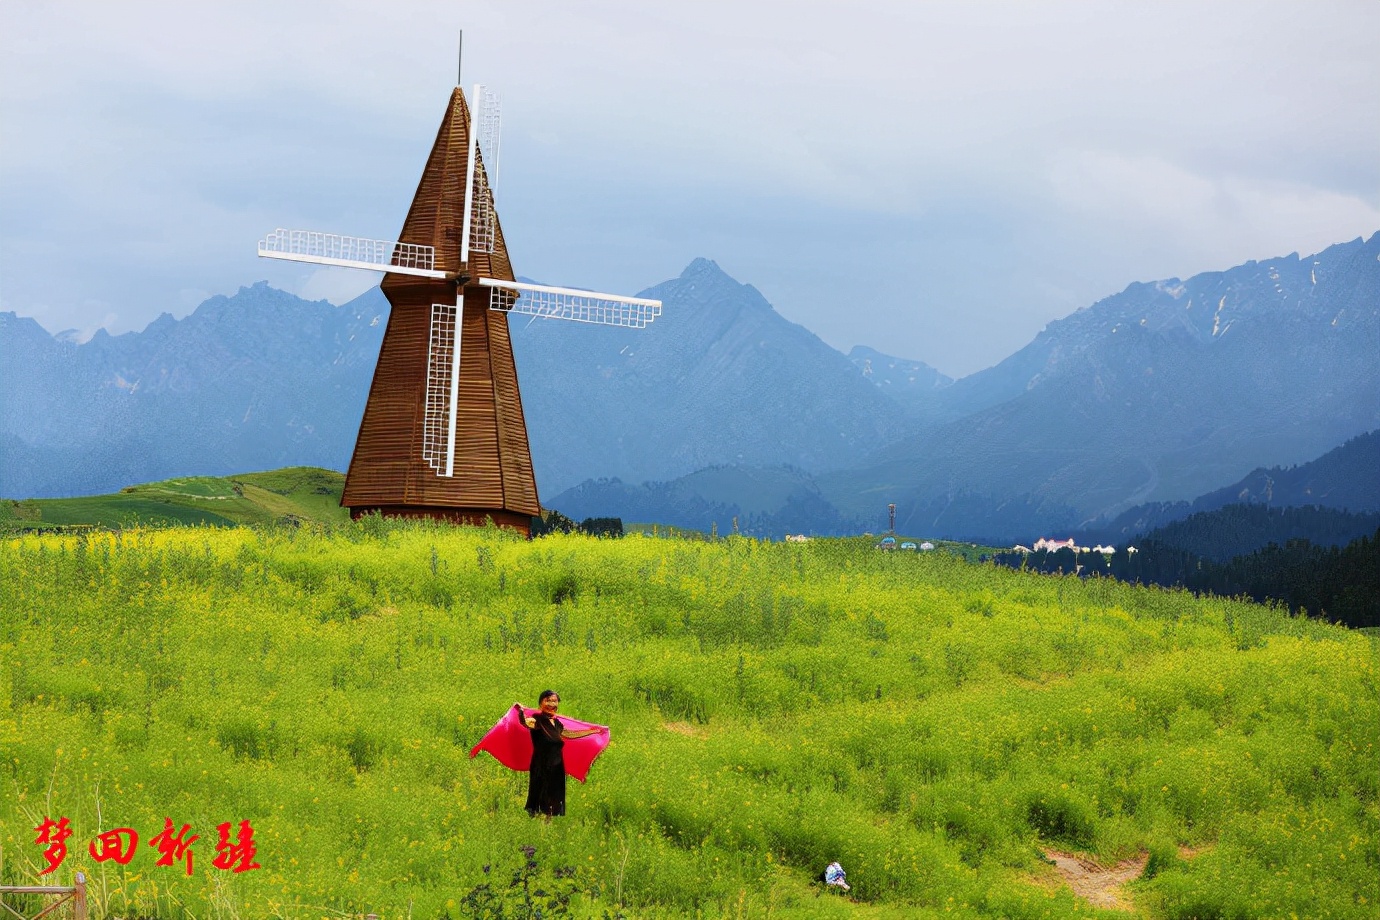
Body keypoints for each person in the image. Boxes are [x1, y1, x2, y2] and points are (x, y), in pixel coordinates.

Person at [516, 691, 606, 817]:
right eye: (548, 700)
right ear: (540, 703)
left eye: (554, 701)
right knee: (539, 793)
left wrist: (593, 731)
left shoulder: (557, 724)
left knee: (554, 794)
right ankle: (535, 821)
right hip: (541, 764)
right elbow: (525, 722)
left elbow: (570, 734)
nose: (551, 704)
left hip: (557, 765)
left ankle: (547, 823)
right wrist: (520, 711)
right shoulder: (537, 719)